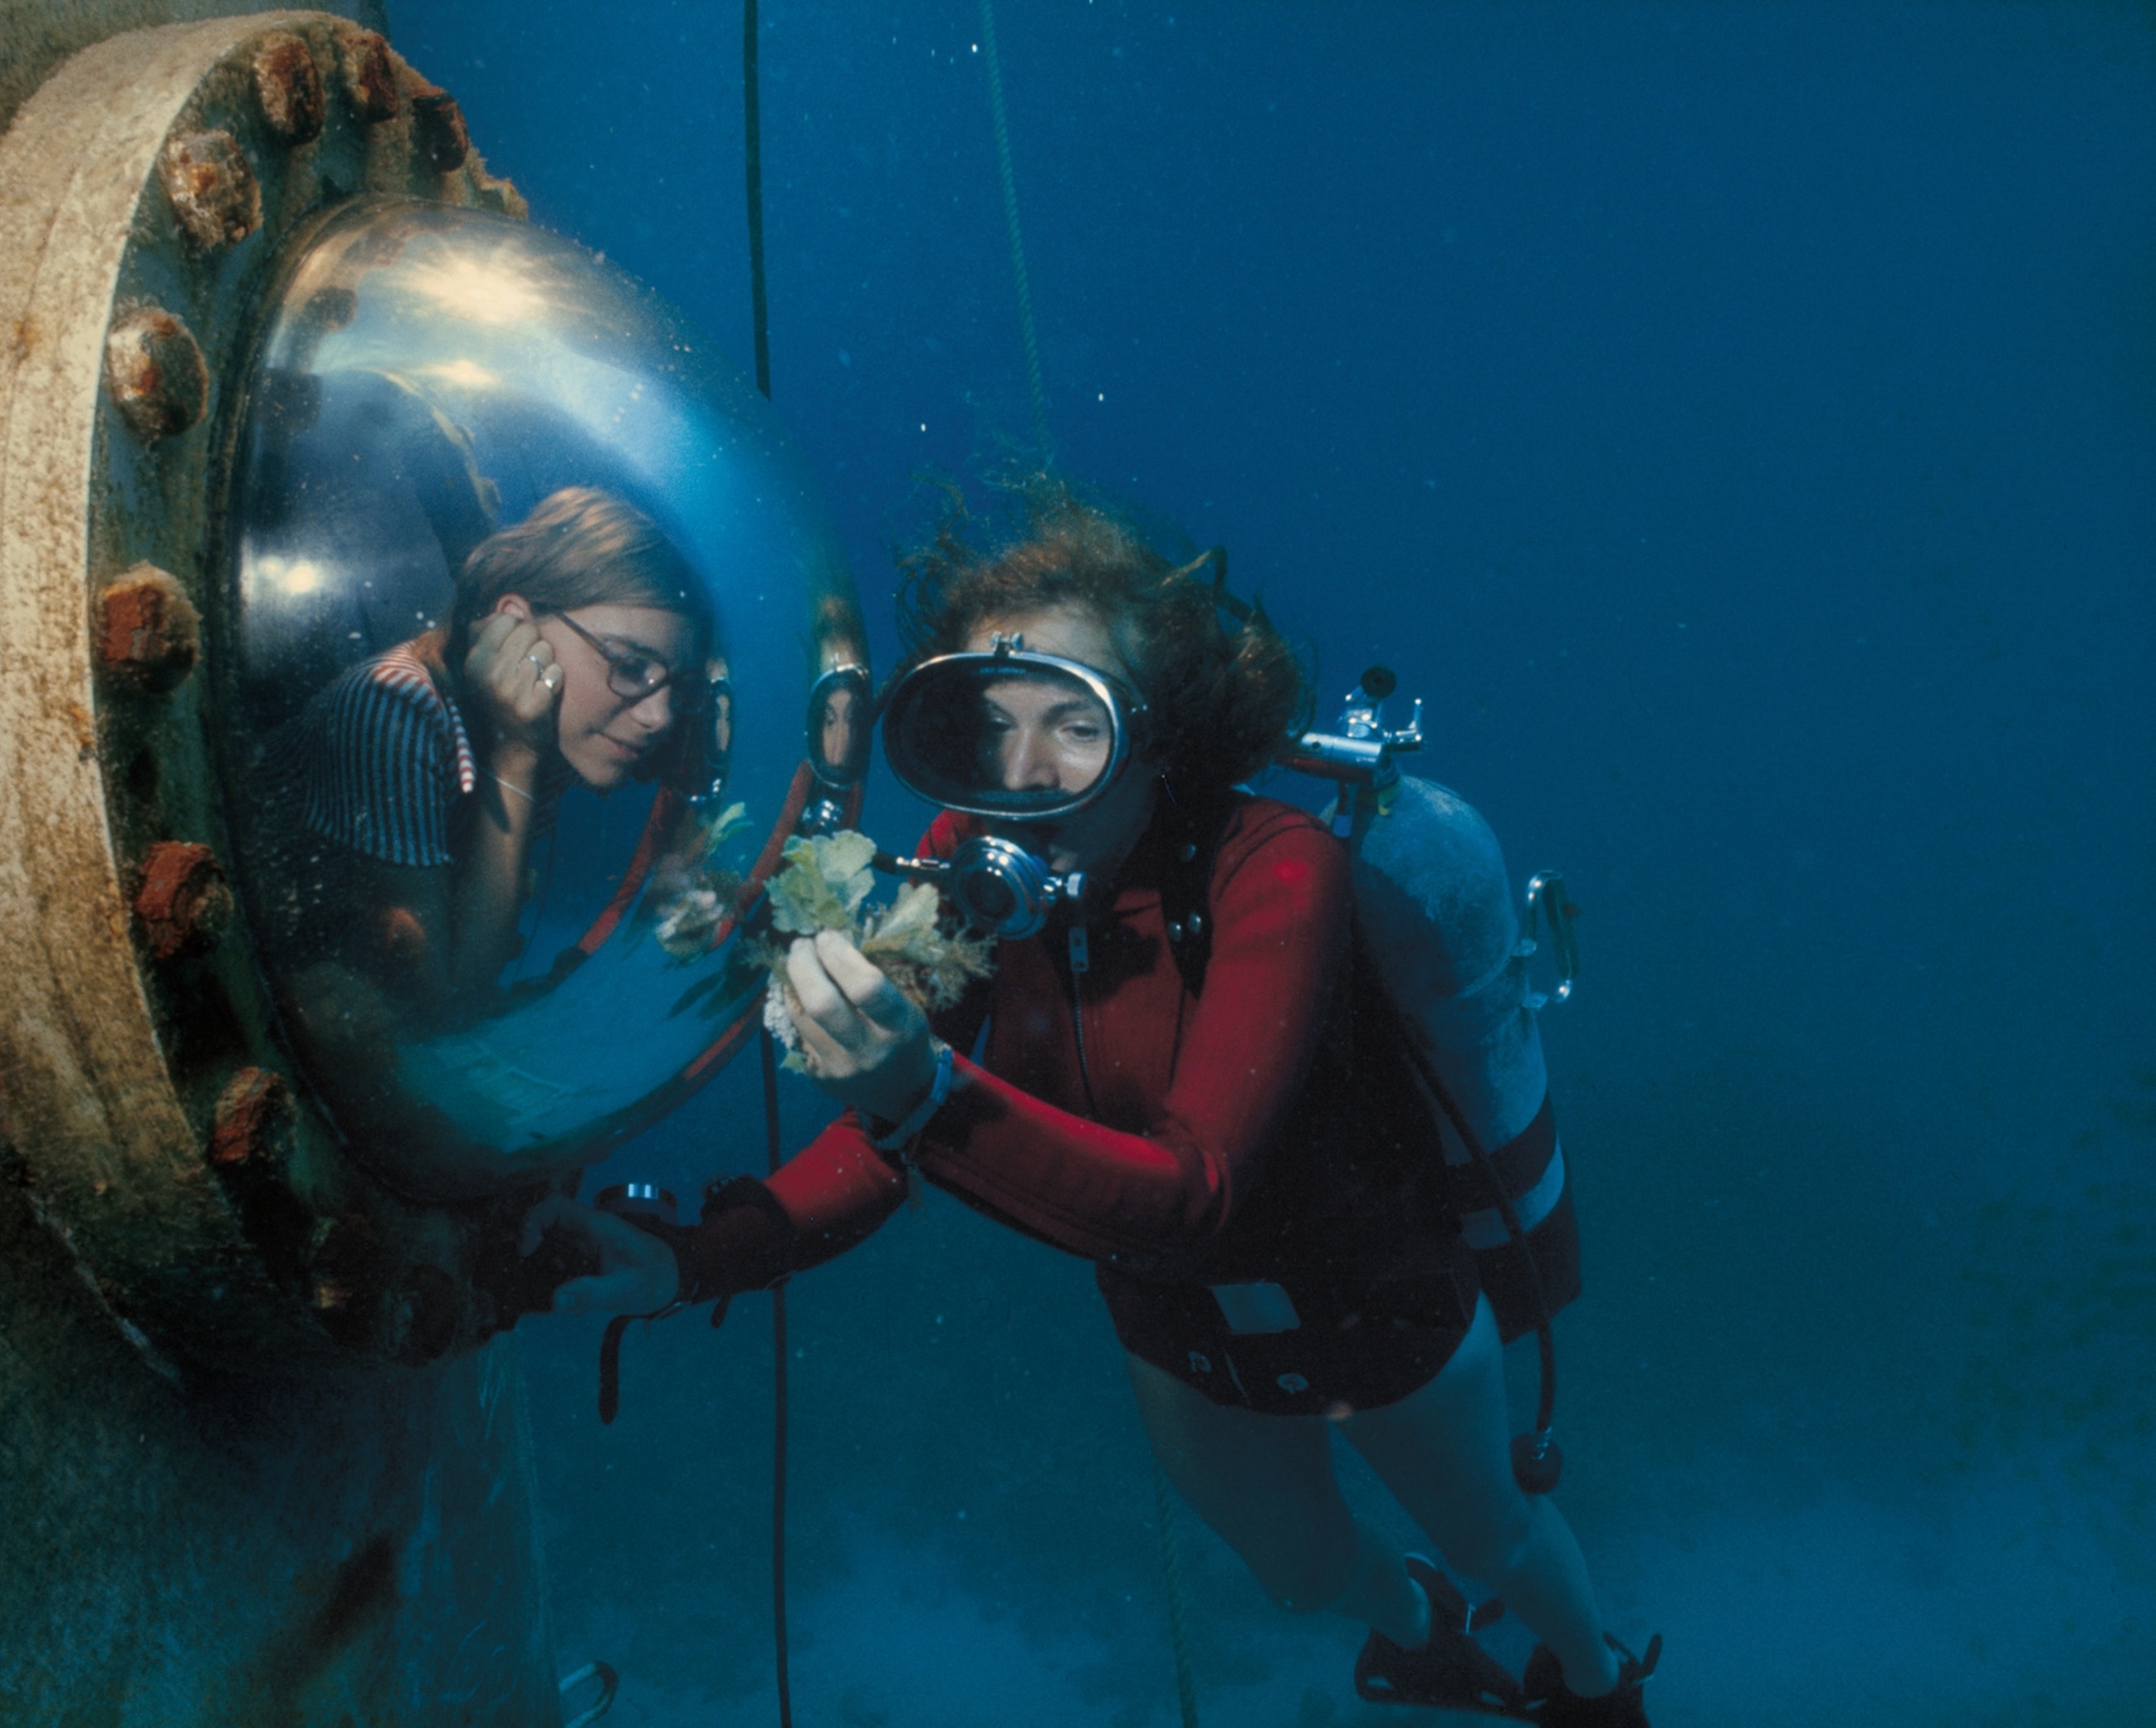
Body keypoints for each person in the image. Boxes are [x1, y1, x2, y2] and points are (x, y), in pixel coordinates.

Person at [530, 486, 1658, 1725]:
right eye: (990, 721)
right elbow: (885, 1146)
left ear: (1158, 731)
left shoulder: (1270, 864)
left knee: (1494, 1531)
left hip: (1374, 1292)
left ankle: (1593, 1681)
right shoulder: (969, 850)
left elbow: (1193, 1189)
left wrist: (924, 1093)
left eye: (1076, 723)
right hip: (1176, 1317)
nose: (1025, 773)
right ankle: (1417, 1630)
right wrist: (695, 1255)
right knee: (1297, 1576)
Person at [262, 486, 713, 1141]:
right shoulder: (395, 708)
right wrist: (514, 757)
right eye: (628, 664)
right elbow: (441, 1008)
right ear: (514, 629)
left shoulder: (534, 736)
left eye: (678, 687)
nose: (658, 716)